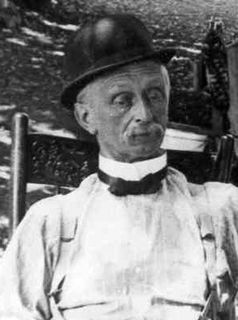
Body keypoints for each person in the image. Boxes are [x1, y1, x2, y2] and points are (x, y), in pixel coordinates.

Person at [0, 13, 237, 320]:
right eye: (122, 100)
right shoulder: (51, 224)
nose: (145, 113)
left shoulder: (219, 210)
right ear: (86, 117)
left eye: (154, 94)